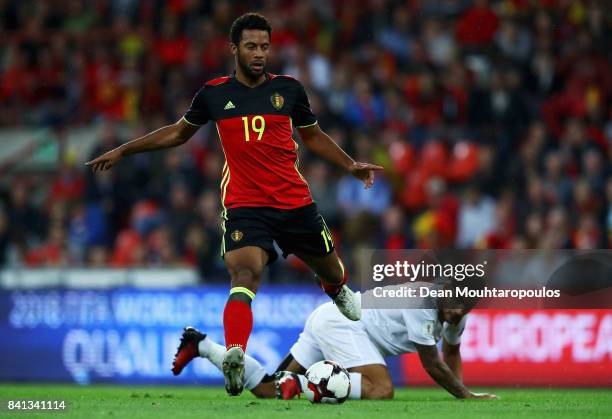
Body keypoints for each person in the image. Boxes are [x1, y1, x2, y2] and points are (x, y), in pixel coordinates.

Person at [86, 12, 383, 396]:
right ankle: (236, 354)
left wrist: (350, 165)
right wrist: (125, 150)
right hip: (246, 205)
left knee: (332, 270)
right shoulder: (214, 94)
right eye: (251, 47)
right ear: (234, 49)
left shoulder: (289, 90)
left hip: (294, 202)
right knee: (244, 275)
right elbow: (178, 133)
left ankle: (335, 286)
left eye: (264, 46)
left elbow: (313, 136)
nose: (259, 54)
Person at [171, 283, 499, 400]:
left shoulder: (456, 312)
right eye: (455, 303)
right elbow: (432, 363)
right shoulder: (422, 301)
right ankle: (319, 385)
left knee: (267, 389)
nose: (458, 312)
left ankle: (201, 345)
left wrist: (461, 393)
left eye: (466, 305)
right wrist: (466, 396)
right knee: (381, 389)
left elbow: (451, 351)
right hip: (345, 324)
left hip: (329, 318)